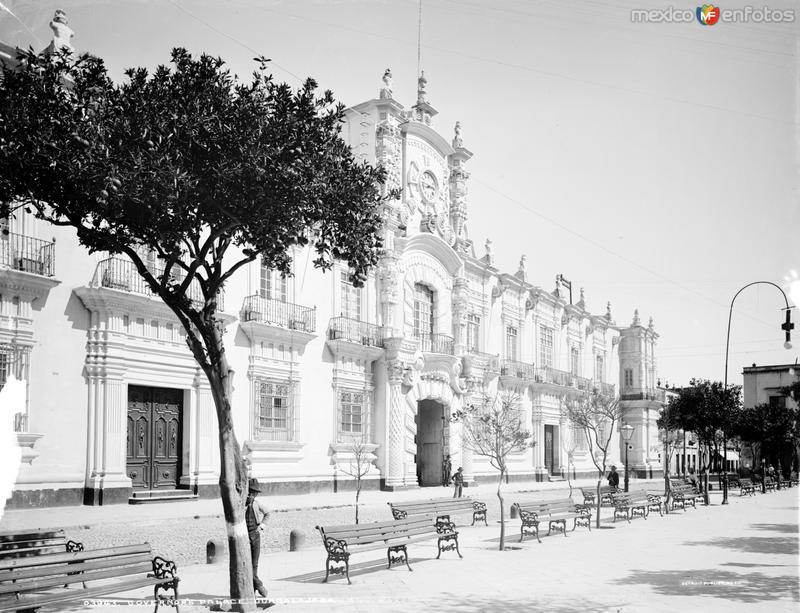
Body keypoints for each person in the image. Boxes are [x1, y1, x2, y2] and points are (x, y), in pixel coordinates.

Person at [246, 478, 270, 599]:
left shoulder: (256, 503)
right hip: (244, 536)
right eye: (250, 492)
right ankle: (259, 585)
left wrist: (262, 526)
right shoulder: (241, 505)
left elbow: (267, 513)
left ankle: (254, 589)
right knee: (246, 564)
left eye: (254, 493)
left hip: (255, 535)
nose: (252, 495)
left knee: (254, 564)